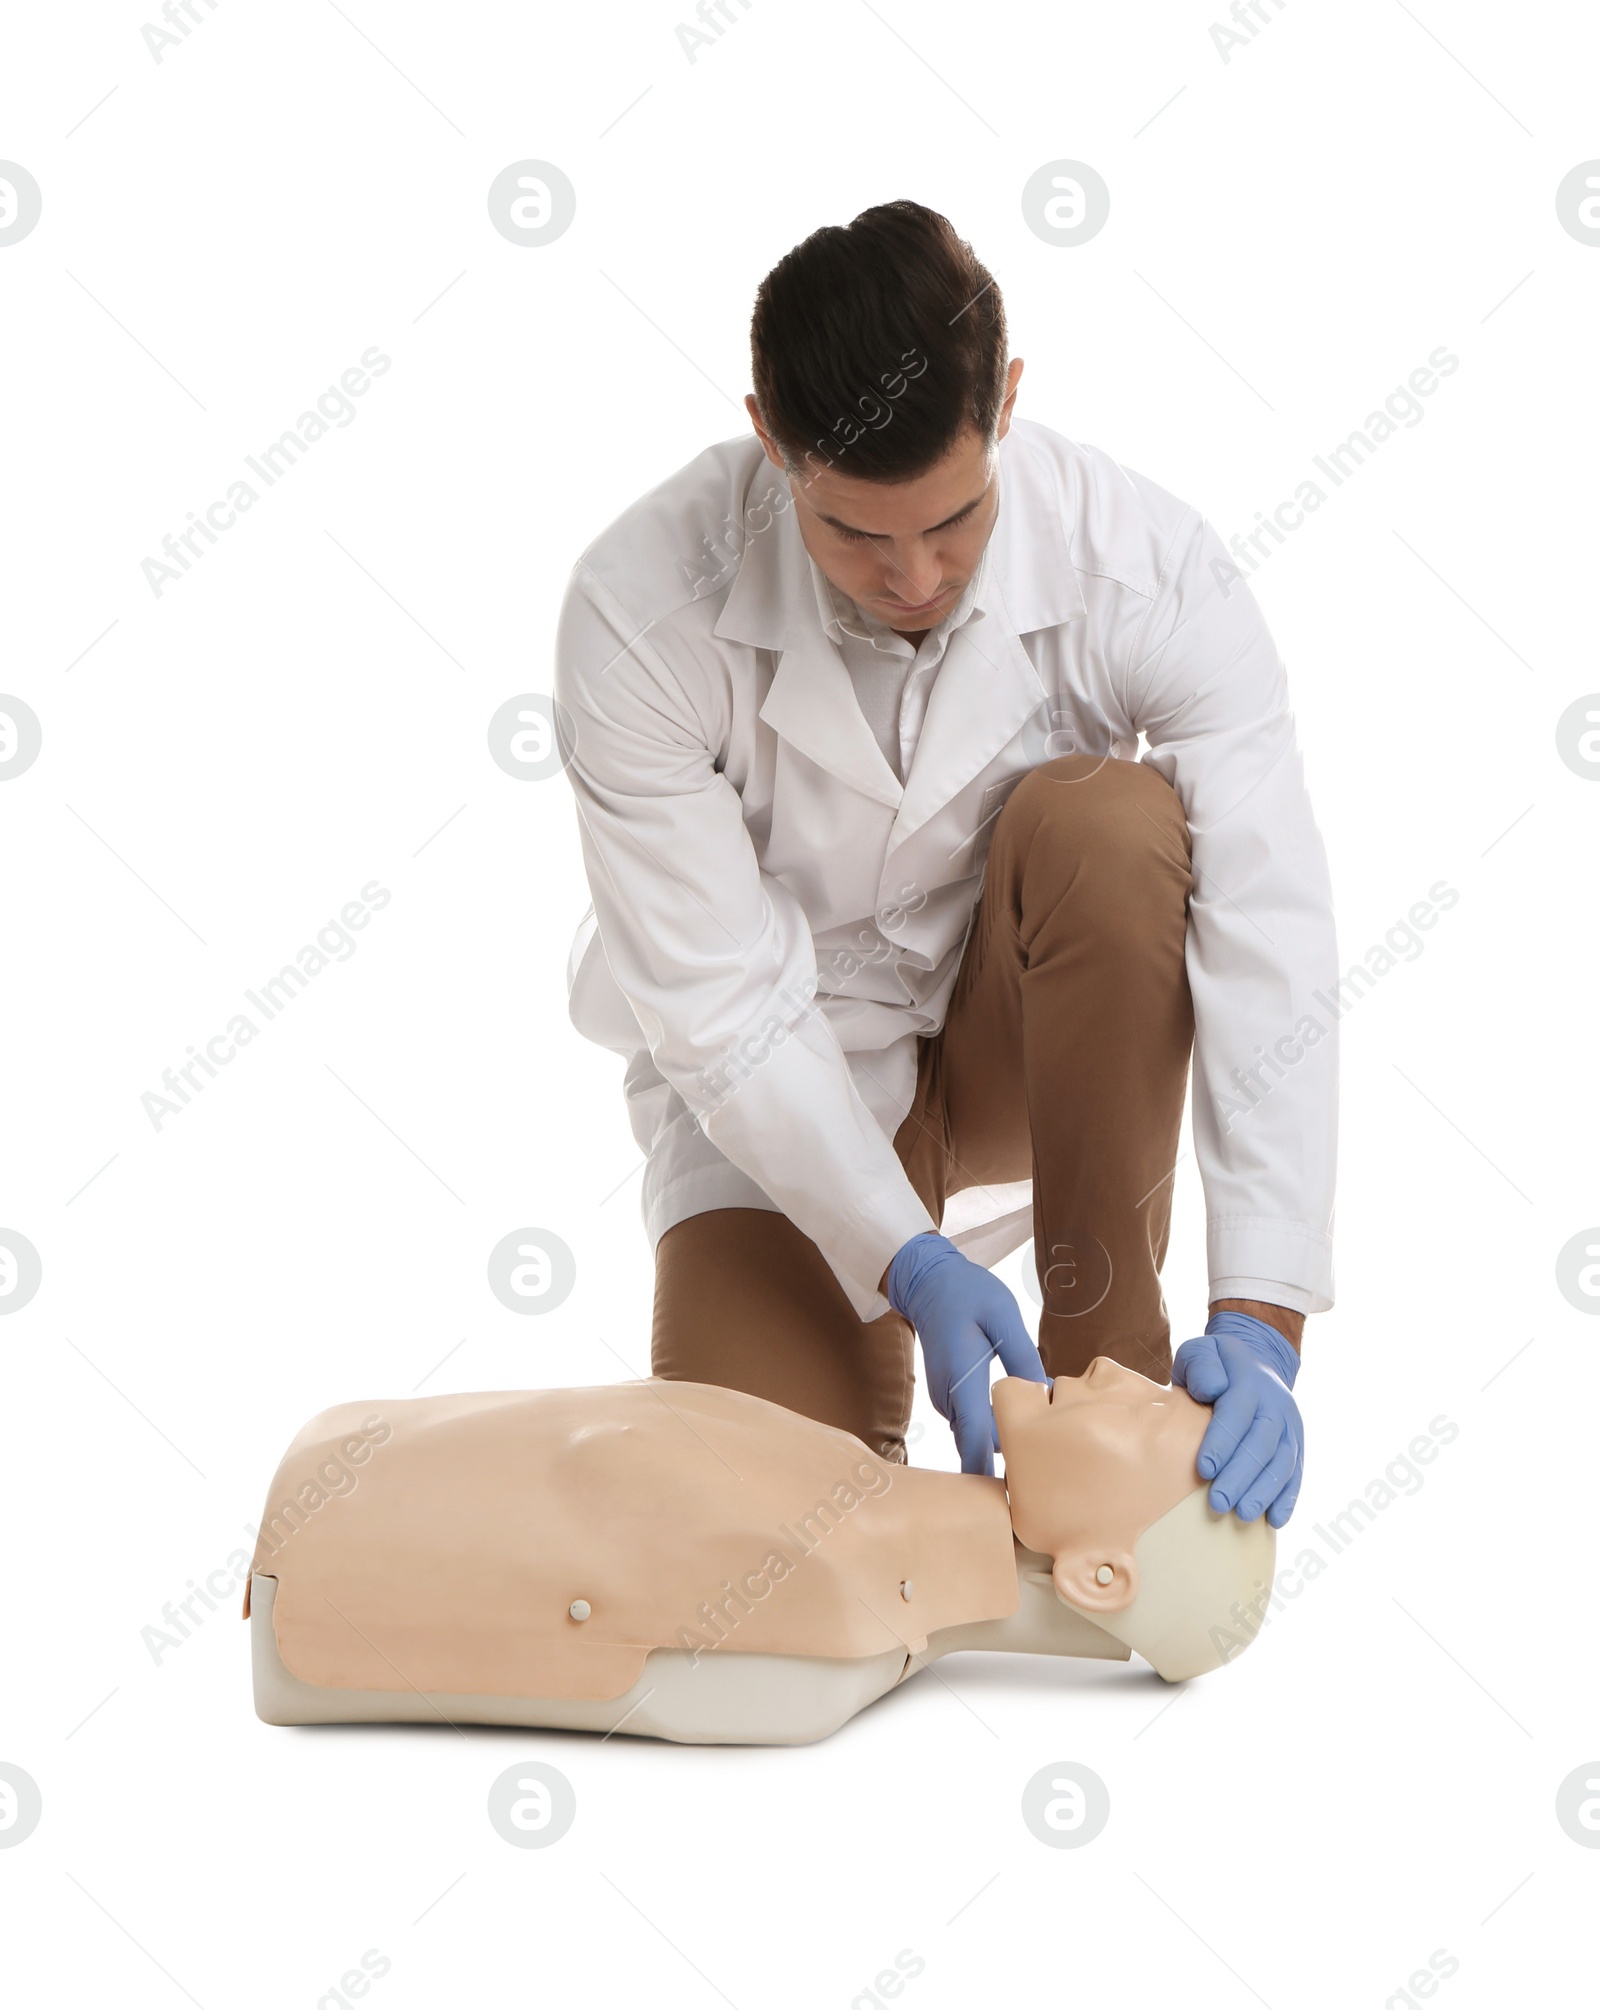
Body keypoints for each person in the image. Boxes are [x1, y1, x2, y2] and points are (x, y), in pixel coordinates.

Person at [554, 200, 1334, 1526]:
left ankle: (1110, 1391)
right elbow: (721, 1008)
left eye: (955, 519)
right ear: (769, 442)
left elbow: (1269, 926)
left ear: (1010, 401)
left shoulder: (1145, 566)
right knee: (757, 1535)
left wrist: (1263, 1314)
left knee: (1115, 823)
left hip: (1017, 1038)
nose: (914, 573)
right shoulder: (639, 608)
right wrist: (904, 1258)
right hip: (774, 1068)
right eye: (858, 533)